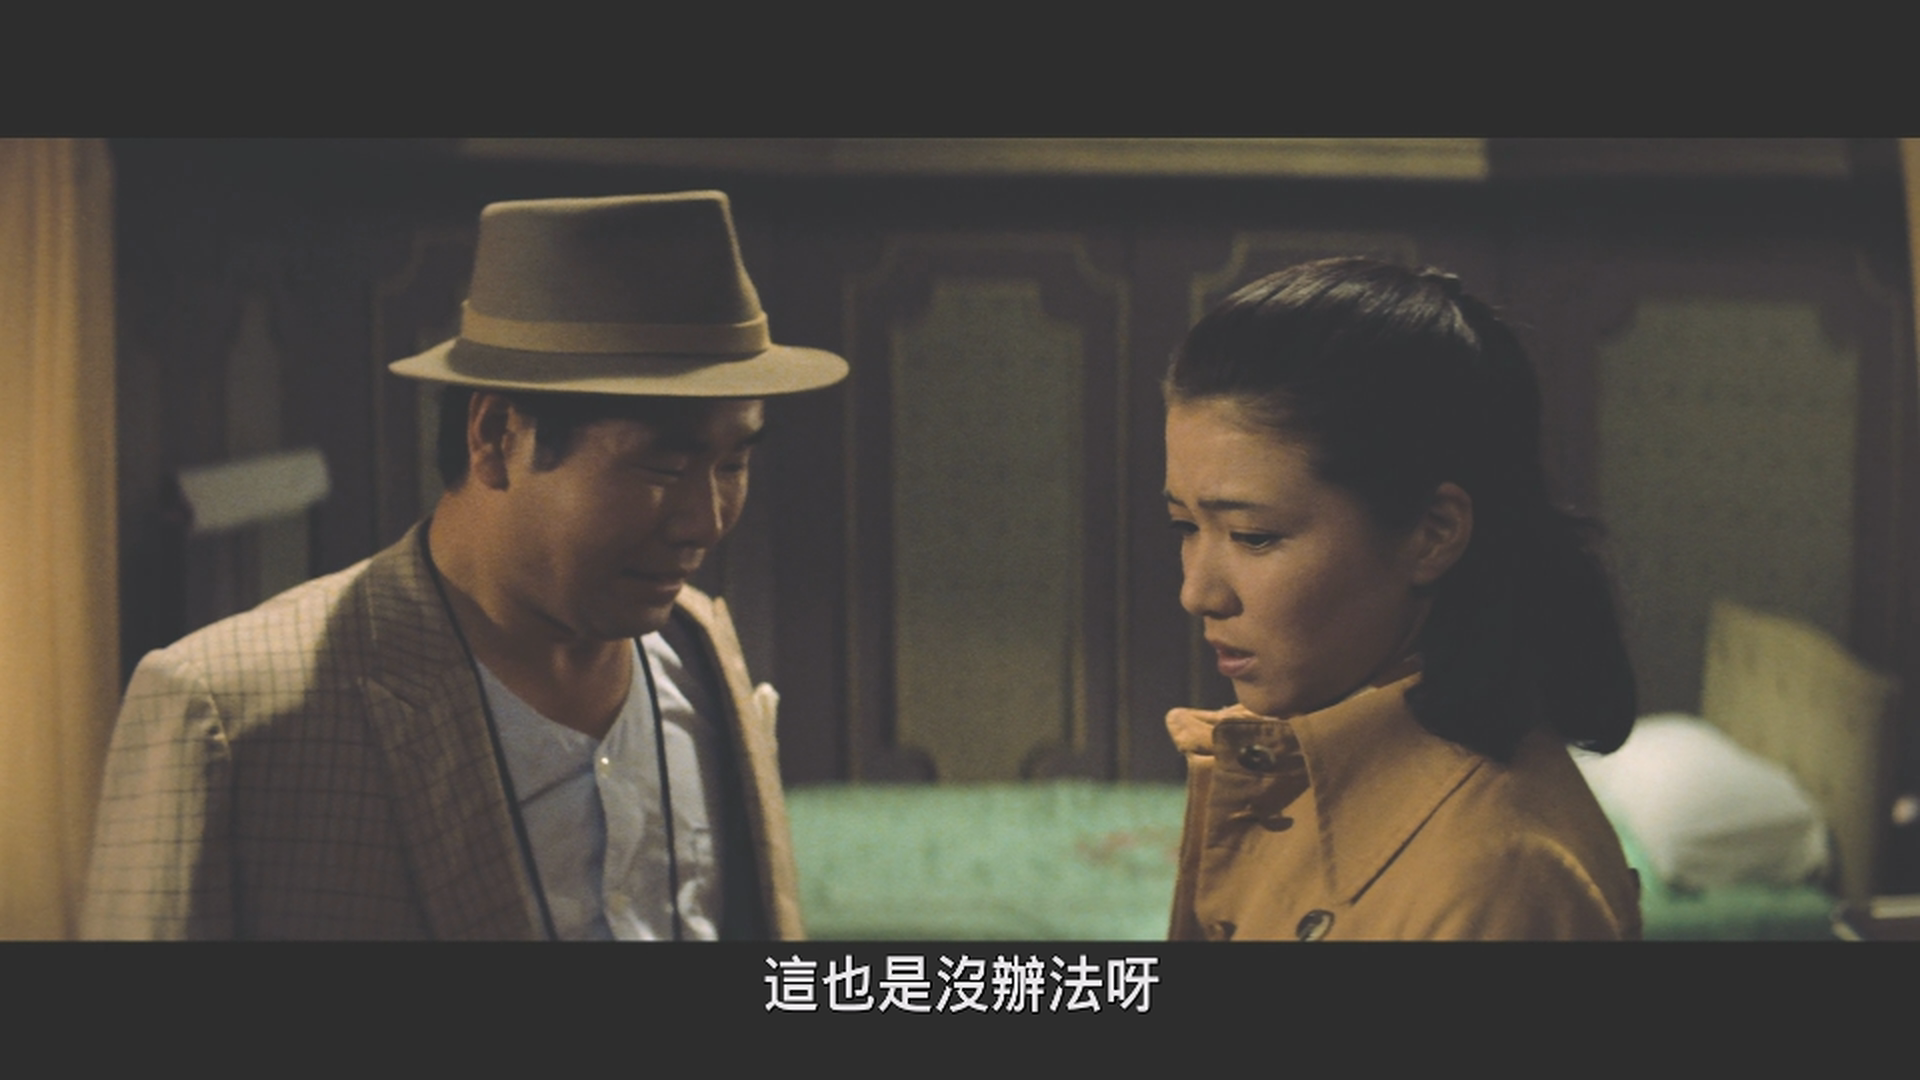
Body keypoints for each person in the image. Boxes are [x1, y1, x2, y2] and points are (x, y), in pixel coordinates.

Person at [82, 191, 846, 939]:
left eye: (733, 464)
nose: (706, 521)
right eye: (662, 466)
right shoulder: (228, 711)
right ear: (496, 435)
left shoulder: (702, 655)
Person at [1162, 257, 1641, 941]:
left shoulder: (1498, 881)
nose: (1197, 593)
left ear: (1432, 533)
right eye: (1185, 526)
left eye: (1253, 537)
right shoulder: (1280, 762)